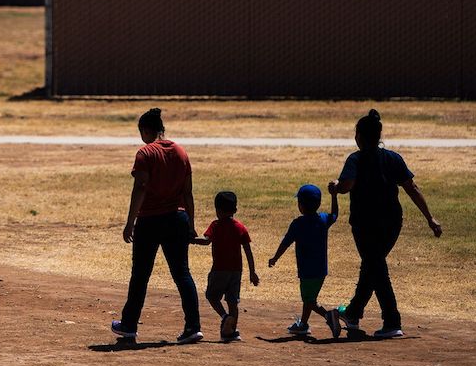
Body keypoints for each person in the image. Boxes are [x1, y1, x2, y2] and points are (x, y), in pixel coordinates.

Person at [328, 109, 443, 339]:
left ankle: (391, 321)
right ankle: (353, 313)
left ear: (359, 136)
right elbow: (412, 188)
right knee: (373, 265)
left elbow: (347, 184)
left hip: (364, 224)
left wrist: (335, 187)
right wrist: (429, 218)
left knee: (375, 267)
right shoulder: (393, 158)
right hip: (391, 222)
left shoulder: (356, 159)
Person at [110, 108, 203, 344]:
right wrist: (191, 224)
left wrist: (130, 222)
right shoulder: (181, 152)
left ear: (145, 130)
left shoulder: (145, 153)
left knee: (140, 275)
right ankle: (193, 326)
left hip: (150, 220)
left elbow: (140, 187)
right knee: (182, 273)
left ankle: (129, 326)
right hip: (177, 218)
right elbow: (188, 192)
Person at [267, 184, 343, 339]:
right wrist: (334, 196)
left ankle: (329, 316)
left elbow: (285, 243)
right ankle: (303, 325)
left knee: (309, 301)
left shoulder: (297, 224)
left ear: (300, 205)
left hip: (307, 271)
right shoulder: (323, 219)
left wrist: (275, 258)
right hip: (321, 270)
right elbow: (334, 214)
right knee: (309, 299)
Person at [190, 191, 260, 342]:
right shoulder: (240, 227)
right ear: (235, 210)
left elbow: (206, 241)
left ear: (217, 210)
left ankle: (224, 317)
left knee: (212, 296)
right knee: (233, 301)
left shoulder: (215, 225)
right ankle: (231, 331)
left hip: (219, 269)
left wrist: (192, 240)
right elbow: (248, 250)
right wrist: (252, 272)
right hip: (236, 271)